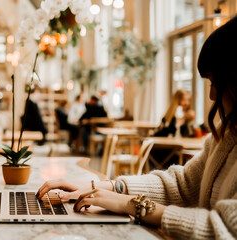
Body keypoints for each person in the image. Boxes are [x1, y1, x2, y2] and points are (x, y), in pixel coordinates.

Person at [36, 17, 237, 239]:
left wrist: (132, 205)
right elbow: (182, 184)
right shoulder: (228, 133)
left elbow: (224, 229)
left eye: (214, 82)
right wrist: (102, 186)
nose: (211, 95)